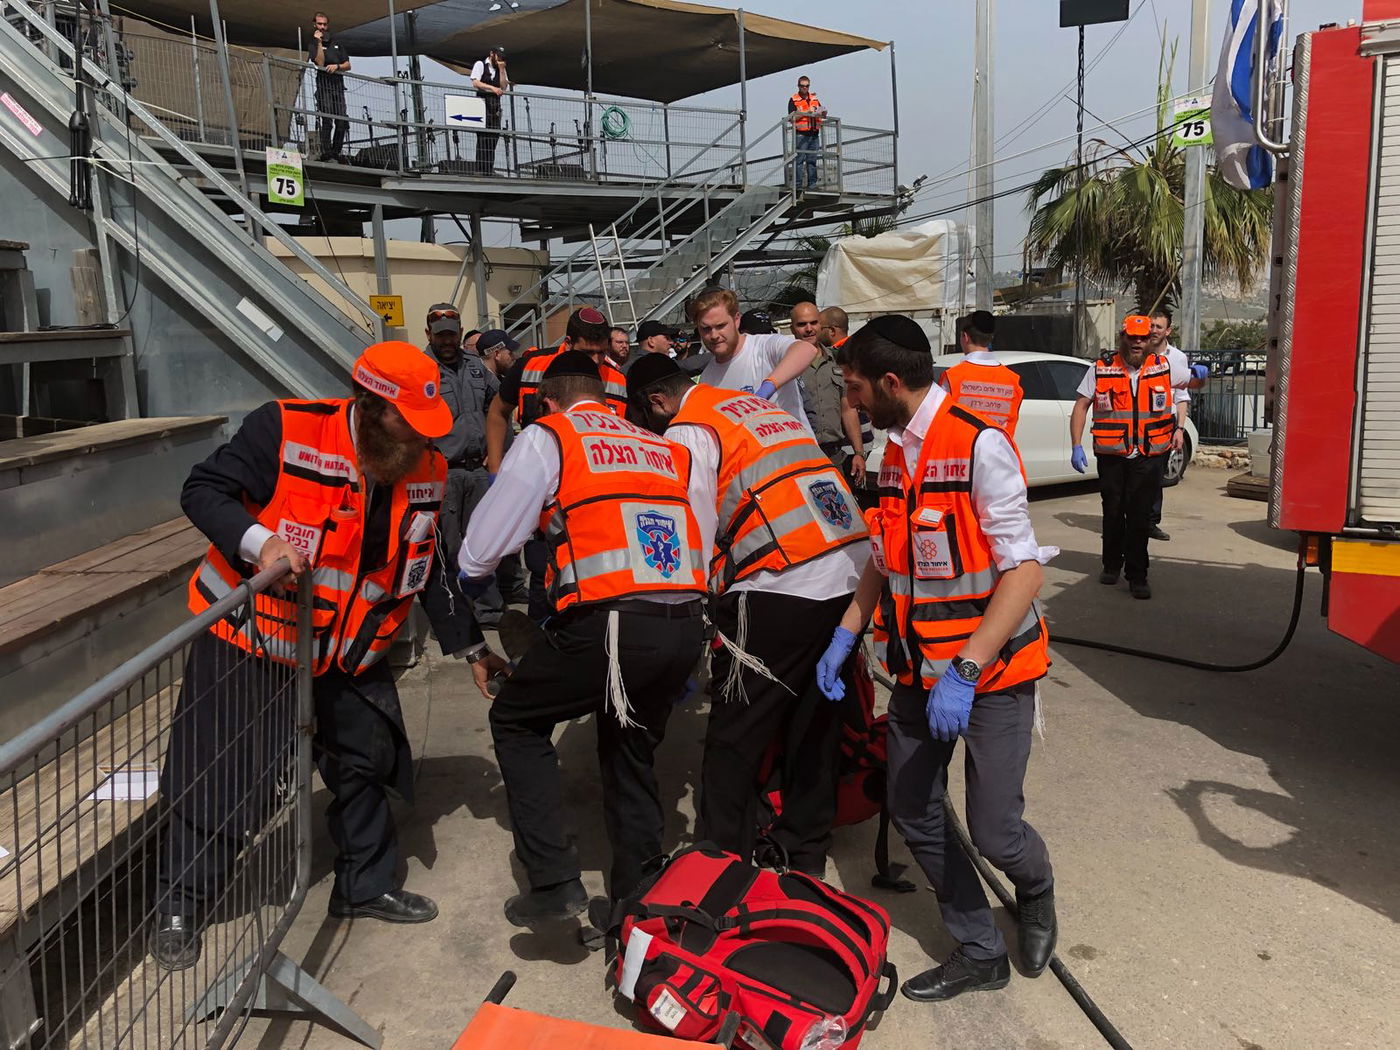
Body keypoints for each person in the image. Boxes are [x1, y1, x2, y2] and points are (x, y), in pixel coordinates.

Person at [152, 341, 505, 970]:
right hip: (255, 641)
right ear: (370, 406)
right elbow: (202, 490)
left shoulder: (425, 466)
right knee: (218, 777)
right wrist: (260, 544)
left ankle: (365, 885)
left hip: (351, 651)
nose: (421, 439)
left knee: (364, 763)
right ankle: (181, 901)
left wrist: (472, 646)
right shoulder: (286, 430)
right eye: (407, 422)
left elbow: (430, 565)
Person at [816, 314, 1058, 1002]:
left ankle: (1035, 886)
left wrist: (968, 668)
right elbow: (885, 557)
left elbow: (1023, 572)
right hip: (919, 673)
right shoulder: (895, 453)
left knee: (996, 834)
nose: (850, 399)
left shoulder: (980, 446)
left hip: (991, 674)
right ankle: (980, 947)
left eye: (855, 386)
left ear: (891, 382)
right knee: (913, 807)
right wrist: (846, 633)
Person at [459, 352, 707, 924]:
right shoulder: (661, 445)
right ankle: (637, 902)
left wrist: (469, 579)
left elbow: (483, 548)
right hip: (683, 624)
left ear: (547, 401)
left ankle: (553, 881)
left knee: (517, 721)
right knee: (629, 748)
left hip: (613, 622)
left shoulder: (552, 435)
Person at [627, 354, 869, 878]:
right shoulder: (752, 408)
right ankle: (804, 852)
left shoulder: (689, 428)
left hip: (783, 580)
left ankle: (723, 865)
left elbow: (692, 524)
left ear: (657, 403)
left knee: (734, 735)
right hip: (852, 576)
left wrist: (687, 612)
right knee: (814, 723)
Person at [484, 307, 629, 620]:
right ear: (568, 342)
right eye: (587, 353)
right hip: (542, 499)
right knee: (541, 574)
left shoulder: (616, 380)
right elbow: (497, 412)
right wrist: (496, 470)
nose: (596, 361)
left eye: (601, 353)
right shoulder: (531, 366)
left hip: (593, 504)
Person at [1069, 314, 1187, 600]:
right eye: (1132, 337)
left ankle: (1138, 575)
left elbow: (1188, 388)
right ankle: (1111, 565)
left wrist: (1199, 380)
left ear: (1150, 340)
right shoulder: (1101, 368)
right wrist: (1076, 445)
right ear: (1122, 337)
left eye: (1142, 338)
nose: (1137, 343)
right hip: (1112, 454)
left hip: (1149, 454)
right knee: (1112, 512)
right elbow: (1081, 405)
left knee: (1139, 516)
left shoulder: (1164, 367)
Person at [423, 304, 505, 626]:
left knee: (483, 542)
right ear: (428, 334)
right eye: (440, 335)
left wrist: (495, 451)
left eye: (451, 334)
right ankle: (452, 617)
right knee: (447, 547)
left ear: (459, 333)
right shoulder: (421, 370)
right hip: (443, 472)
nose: (447, 341)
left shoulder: (475, 366)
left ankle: (489, 611)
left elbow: (498, 405)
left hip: (478, 471)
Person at [692, 288, 818, 431]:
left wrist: (768, 387)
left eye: (721, 326)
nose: (714, 335)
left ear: (736, 320)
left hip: (795, 443)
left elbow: (807, 350)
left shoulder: (764, 346)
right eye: (706, 329)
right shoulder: (707, 379)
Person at [1146, 309, 1208, 541]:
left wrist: (1179, 429)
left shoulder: (1178, 358)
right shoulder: (1137, 352)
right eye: (1151, 326)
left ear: (1168, 331)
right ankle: (1128, 522)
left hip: (1164, 423)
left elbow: (1182, 396)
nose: (1153, 331)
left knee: (1156, 476)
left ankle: (1151, 523)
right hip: (1139, 421)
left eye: (1158, 327)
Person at [793, 301, 866, 480]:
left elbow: (848, 409)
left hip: (834, 457)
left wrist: (858, 452)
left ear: (820, 325)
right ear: (792, 328)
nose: (809, 329)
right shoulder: (784, 365)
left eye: (814, 323)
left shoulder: (837, 361)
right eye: (802, 324)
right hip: (799, 458)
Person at [941, 310, 1023, 436]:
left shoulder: (952, 377)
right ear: (990, 338)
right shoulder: (1013, 380)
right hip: (1000, 446)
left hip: (962, 447)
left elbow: (940, 419)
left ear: (965, 337)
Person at [824, 306, 874, 500]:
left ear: (832, 330)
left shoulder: (840, 355)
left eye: (820, 326)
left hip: (850, 441)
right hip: (864, 435)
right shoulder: (861, 349)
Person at [307, 12, 350, 162]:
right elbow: (319, 62)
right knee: (327, 120)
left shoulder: (336, 42)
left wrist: (337, 66)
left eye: (324, 24)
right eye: (320, 24)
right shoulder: (313, 44)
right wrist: (319, 42)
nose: (322, 27)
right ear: (315, 25)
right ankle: (326, 152)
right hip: (324, 86)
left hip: (338, 86)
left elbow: (348, 64)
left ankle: (336, 152)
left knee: (342, 120)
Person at [470, 45, 509, 174]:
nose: (499, 60)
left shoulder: (500, 68)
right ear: (492, 54)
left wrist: (502, 69)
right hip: (482, 103)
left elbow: (504, 86)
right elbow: (475, 83)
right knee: (483, 137)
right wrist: (492, 88)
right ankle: (480, 169)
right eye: (498, 56)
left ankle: (489, 168)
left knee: (493, 136)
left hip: (495, 106)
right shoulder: (480, 64)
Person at [787, 75, 826, 191]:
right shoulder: (793, 99)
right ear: (798, 86)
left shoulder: (814, 98)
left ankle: (812, 185)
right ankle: (798, 185)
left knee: (812, 160)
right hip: (801, 134)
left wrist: (823, 112)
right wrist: (806, 112)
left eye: (807, 86)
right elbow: (791, 118)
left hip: (814, 134)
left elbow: (820, 110)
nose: (805, 88)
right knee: (799, 160)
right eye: (802, 86)